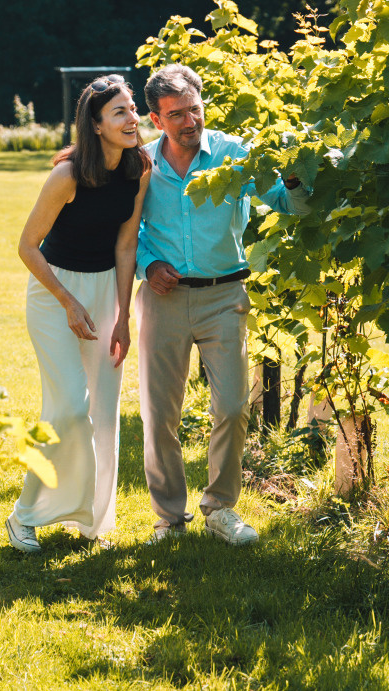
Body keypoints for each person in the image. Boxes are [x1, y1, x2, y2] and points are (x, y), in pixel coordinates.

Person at [136, 64, 309, 545]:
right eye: (176, 115)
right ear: (156, 119)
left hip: (224, 295)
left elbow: (292, 206)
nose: (190, 122)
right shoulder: (142, 164)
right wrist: (148, 265)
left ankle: (219, 509)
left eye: (195, 109)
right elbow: (132, 231)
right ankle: (170, 517)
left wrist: (293, 176)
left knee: (232, 406)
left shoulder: (236, 155)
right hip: (161, 299)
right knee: (159, 414)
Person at [6, 74, 149, 552]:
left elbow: (127, 245)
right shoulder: (67, 175)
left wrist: (123, 316)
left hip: (108, 290)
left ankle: (92, 521)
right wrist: (68, 301)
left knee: (104, 415)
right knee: (69, 408)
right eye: (120, 113)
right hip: (54, 292)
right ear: (96, 123)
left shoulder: (139, 168)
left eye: (132, 109)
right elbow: (27, 247)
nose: (132, 119)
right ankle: (24, 515)